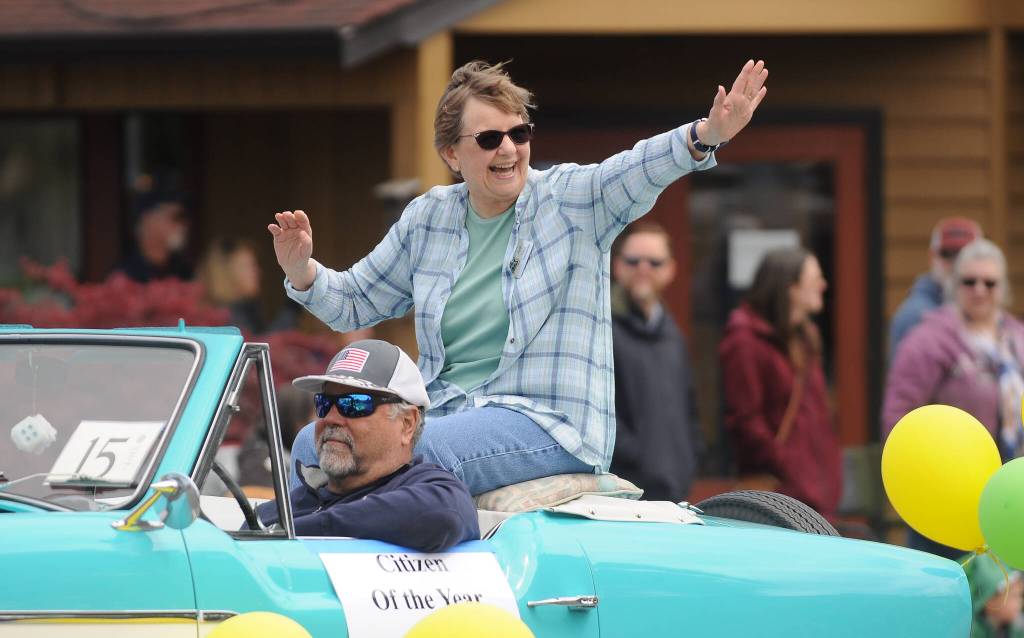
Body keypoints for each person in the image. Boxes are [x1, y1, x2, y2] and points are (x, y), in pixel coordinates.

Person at [272, 59, 768, 495]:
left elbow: (638, 168)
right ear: (451, 155)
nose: (508, 148)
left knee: (416, 453)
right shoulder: (428, 217)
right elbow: (355, 301)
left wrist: (705, 135)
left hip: (551, 423)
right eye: (489, 139)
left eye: (520, 133)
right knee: (310, 447)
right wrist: (302, 270)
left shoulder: (571, 199)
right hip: (444, 410)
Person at [255, 339, 480, 552]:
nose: (330, 418)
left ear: (407, 424)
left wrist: (292, 533)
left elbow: (442, 515)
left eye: (354, 404)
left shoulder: (436, 491)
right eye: (323, 404)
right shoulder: (275, 513)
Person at [882, 239, 1024, 558]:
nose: (979, 290)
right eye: (969, 281)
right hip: (948, 500)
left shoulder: (1016, 338)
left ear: (1003, 288)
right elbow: (898, 414)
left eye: (990, 282)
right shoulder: (928, 341)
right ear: (954, 285)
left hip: (1011, 502)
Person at [718, 247, 842, 517]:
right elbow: (745, 420)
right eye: (814, 279)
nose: (823, 285)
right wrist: (788, 465)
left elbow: (817, 417)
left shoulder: (805, 338)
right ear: (791, 288)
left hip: (816, 494)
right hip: (777, 496)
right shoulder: (744, 340)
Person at [608, 220, 702, 502]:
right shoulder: (600, 328)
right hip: (624, 496)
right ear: (617, 266)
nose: (643, 270)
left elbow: (690, 411)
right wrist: (641, 458)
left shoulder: (672, 335)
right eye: (634, 261)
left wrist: (688, 460)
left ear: (671, 269)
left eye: (655, 262)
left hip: (676, 492)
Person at [888, 217, 982, 360]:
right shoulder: (917, 316)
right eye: (947, 254)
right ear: (932, 257)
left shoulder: (987, 314)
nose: (956, 263)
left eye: (965, 255)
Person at [197, 237, 299, 335]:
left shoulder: (247, 309)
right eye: (247, 266)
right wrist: (296, 295)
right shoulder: (222, 319)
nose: (257, 272)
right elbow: (264, 346)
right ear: (225, 273)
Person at [118, 188, 193, 283]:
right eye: (176, 217)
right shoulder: (124, 278)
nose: (184, 225)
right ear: (147, 221)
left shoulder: (184, 273)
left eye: (185, 218)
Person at [963, 553, 1024, 638]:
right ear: (990, 601)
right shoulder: (971, 632)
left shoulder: (1017, 629)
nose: (1021, 601)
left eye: (1020, 595)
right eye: (1014, 596)